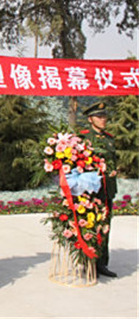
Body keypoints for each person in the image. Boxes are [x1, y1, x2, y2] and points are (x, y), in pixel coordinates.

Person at [80, 102, 118, 278]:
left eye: (104, 117)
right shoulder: (83, 138)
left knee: (105, 226)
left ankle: (102, 263)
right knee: (89, 226)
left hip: (107, 189)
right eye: (99, 117)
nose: (103, 120)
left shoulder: (109, 138)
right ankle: (88, 262)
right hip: (91, 190)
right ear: (90, 119)